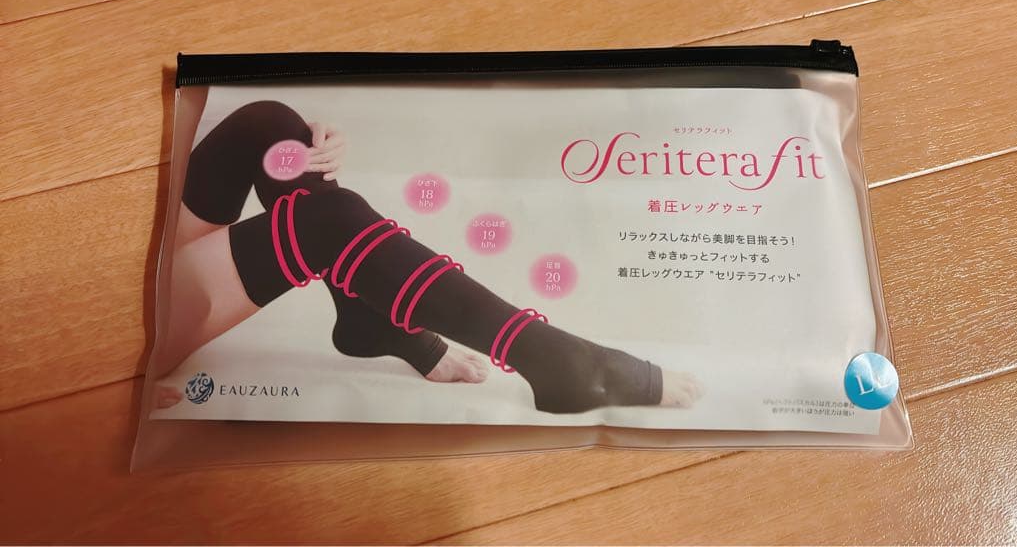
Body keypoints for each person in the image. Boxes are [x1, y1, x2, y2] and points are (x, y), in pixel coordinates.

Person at [154, 93, 702, 414]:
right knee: (329, 220)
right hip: (145, 321)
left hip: (154, 264)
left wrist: (310, 149)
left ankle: (367, 319)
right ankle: (550, 356)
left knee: (273, 127)